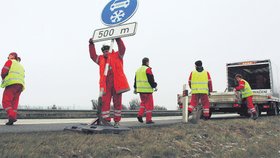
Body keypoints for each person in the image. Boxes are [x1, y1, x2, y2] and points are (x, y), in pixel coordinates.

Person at [89, 38, 130, 126]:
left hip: (117, 83)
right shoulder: (100, 59)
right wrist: (91, 45)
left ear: (110, 50)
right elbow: (93, 56)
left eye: (107, 51)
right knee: (105, 103)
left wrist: (118, 39)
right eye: (104, 52)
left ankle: (117, 121)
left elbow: (123, 48)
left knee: (117, 103)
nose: (105, 53)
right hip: (106, 84)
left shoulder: (117, 55)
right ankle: (106, 121)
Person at [1, 52, 25, 125]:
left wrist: (3, 78)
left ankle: (12, 116)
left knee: (6, 101)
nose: (8, 57)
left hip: (12, 83)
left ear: (12, 56)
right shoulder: (21, 66)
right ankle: (12, 119)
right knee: (14, 103)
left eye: (9, 55)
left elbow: (3, 72)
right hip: (20, 85)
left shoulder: (10, 61)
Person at [134, 57, 157, 124]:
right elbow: (151, 79)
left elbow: (135, 80)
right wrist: (154, 85)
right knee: (149, 105)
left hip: (140, 90)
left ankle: (140, 115)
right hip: (147, 90)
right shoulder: (147, 69)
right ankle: (148, 120)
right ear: (147, 62)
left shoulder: (138, 70)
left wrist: (135, 88)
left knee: (143, 103)